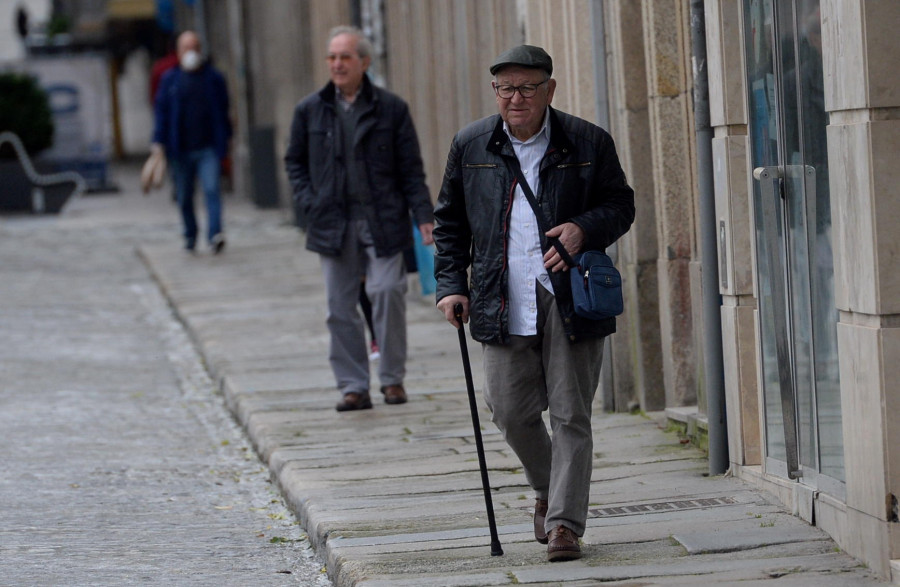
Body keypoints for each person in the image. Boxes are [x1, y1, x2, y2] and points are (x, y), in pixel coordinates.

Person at [433, 45, 635, 562]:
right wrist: (451, 284)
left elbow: (620, 204)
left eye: (526, 88)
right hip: (501, 294)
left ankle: (565, 523)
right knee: (509, 410)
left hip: (569, 295)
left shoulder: (587, 141)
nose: (515, 98)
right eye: (505, 88)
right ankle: (549, 487)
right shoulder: (471, 144)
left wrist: (583, 229)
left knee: (571, 412)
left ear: (550, 90)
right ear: (495, 92)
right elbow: (450, 222)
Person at [284, 26, 434, 412]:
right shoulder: (310, 110)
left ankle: (392, 378)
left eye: (344, 57)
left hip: (382, 218)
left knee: (387, 291)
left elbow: (411, 170)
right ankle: (353, 385)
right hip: (332, 221)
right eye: (332, 57)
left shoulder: (392, 109)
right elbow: (294, 162)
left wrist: (423, 216)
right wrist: (308, 201)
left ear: (364, 62)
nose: (336, 64)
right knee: (339, 306)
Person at [152, 30, 232, 254]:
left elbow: (224, 111)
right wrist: (158, 141)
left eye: (194, 47)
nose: (191, 52)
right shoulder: (170, 80)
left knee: (212, 189)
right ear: (178, 52)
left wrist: (225, 142)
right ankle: (190, 234)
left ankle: (215, 233)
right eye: (186, 48)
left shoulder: (213, 78)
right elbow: (162, 112)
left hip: (208, 148)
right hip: (181, 150)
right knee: (185, 196)